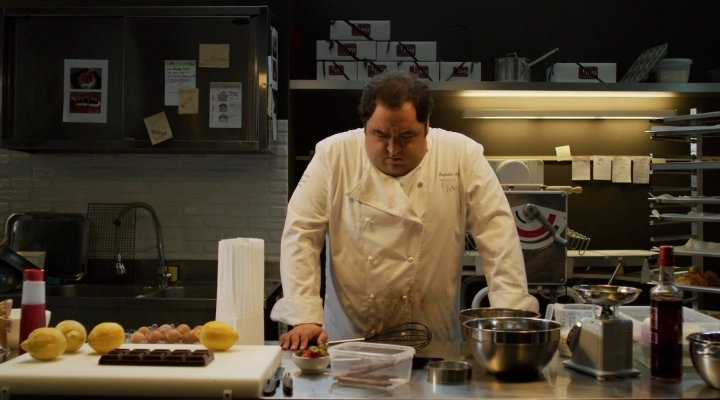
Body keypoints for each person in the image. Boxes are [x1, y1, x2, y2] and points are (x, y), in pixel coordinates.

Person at [270, 70, 539, 351]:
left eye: (406, 136)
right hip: (349, 341)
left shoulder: (461, 155)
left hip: (432, 339)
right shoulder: (334, 156)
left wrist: (511, 315)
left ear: (427, 126)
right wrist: (304, 317)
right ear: (364, 126)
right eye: (380, 135)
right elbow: (301, 233)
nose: (392, 149)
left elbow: (498, 233)